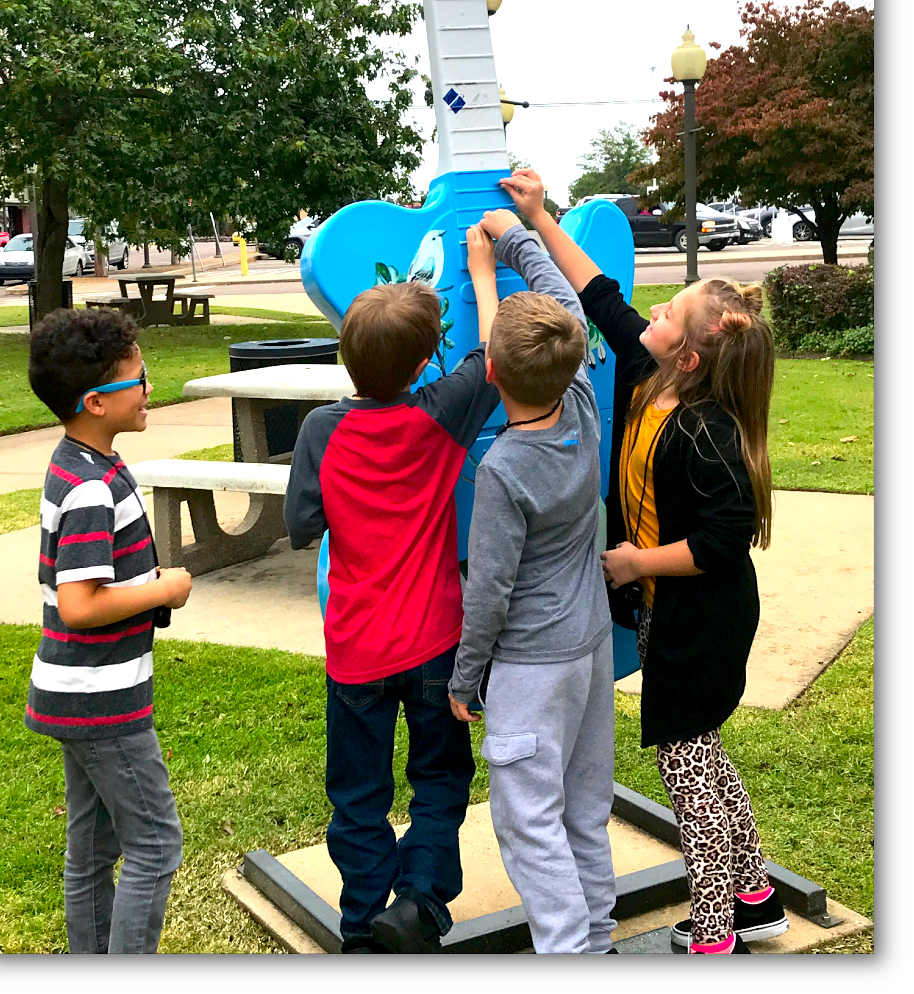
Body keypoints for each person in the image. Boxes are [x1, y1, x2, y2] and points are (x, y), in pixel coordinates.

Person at [504, 168, 789, 956]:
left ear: (691, 358)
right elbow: (597, 293)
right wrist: (539, 217)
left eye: (666, 312)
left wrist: (636, 565)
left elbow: (723, 542)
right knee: (704, 756)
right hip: (680, 613)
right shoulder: (647, 372)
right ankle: (754, 895)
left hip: (704, 619)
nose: (650, 313)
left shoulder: (707, 435)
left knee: (686, 771)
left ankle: (714, 933)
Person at [283, 227, 502, 954]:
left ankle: (359, 927)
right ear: (420, 360)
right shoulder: (441, 411)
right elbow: (494, 357)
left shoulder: (319, 429)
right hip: (437, 642)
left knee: (358, 797)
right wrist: (478, 268)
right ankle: (416, 906)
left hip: (356, 652)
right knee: (439, 782)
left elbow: (301, 523)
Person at [448, 209, 617, 955]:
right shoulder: (579, 398)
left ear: (489, 371)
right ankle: (599, 939)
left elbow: (487, 590)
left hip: (529, 666)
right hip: (589, 648)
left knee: (528, 820)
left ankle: (568, 952)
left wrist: (464, 679)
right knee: (583, 806)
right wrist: (513, 243)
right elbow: (567, 305)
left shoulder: (504, 470)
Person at [25, 308, 192, 954]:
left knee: (93, 847)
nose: (150, 387)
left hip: (74, 694)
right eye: (139, 378)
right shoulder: (90, 485)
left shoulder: (81, 461)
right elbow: (79, 605)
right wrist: (163, 590)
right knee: (156, 842)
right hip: (101, 699)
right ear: (95, 402)